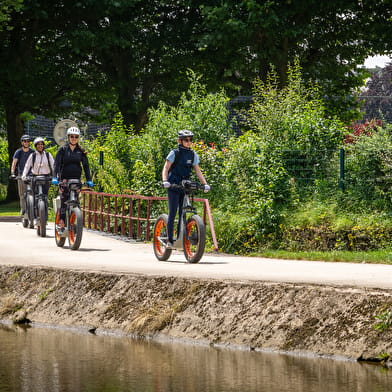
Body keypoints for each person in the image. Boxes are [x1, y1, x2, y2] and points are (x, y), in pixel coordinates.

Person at [161, 130, 210, 247]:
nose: (189, 142)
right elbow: (166, 168)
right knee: (173, 212)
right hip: (173, 185)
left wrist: (205, 184)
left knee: (182, 212)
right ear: (180, 141)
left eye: (190, 140)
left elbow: (197, 170)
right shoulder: (174, 153)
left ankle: (180, 237)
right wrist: (165, 181)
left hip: (184, 185)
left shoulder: (193, 154)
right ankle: (169, 239)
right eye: (186, 140)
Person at [52, 127, 94, 229]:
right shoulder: (62, 150)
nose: (74, 138)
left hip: (76, 180)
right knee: (64, 200)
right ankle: (61, 222)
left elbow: (86, 166)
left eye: (76, 137)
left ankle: (76, 220)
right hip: (64, 179)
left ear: (78, 138)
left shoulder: (81, 151)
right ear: (68, 137)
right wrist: (54, 177)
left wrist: (89, 180)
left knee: (76, 201)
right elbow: (56, 164)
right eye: (72, 136)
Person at [10, 134, 34, 214]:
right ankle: (23, 209)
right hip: (21, 175)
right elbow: (14, 163)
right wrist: (13, 173)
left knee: (33, 192)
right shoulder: (18, 152)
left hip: (31, 175)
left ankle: (33, 210)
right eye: (25, 141)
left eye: (28, 141)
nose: (26, 142)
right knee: (22, 194)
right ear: (22, 142)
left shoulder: (32, 152)